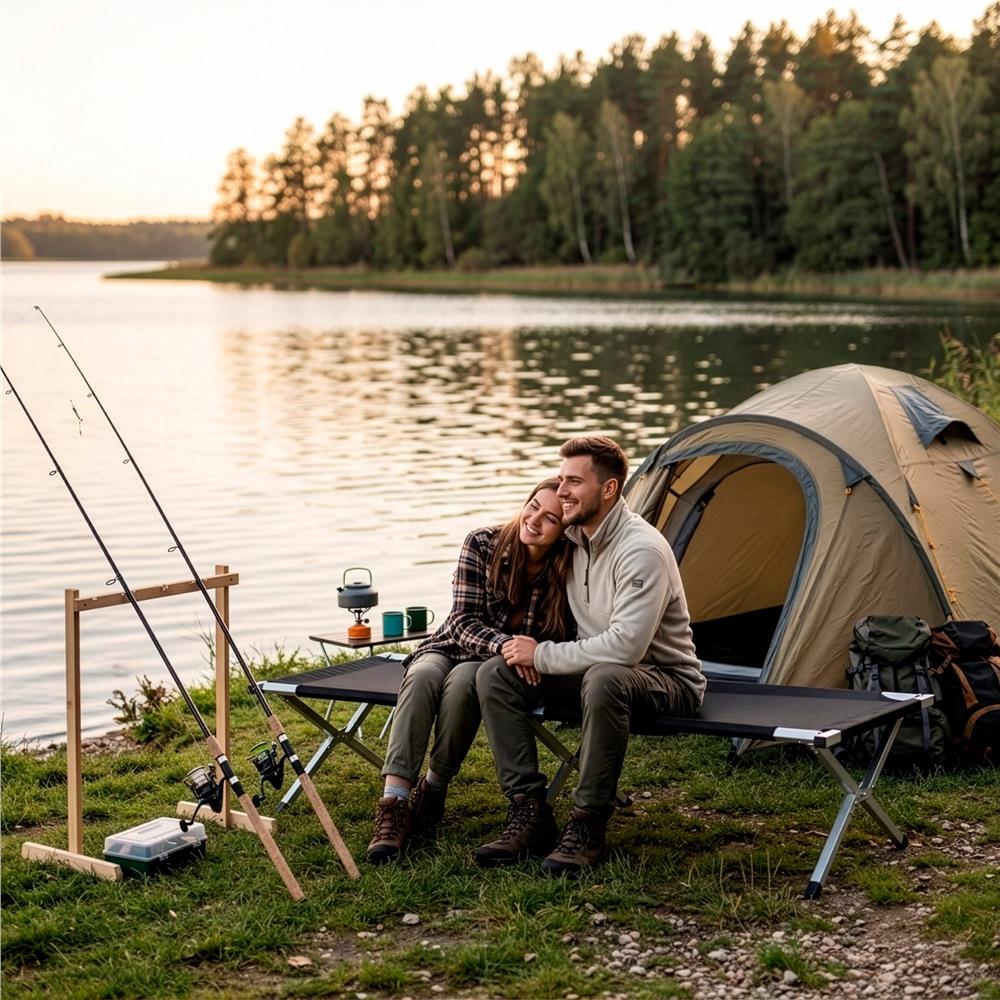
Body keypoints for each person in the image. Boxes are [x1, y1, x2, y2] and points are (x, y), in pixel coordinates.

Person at [475, 435, 704, 876]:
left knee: (606, 677)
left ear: (609, 489)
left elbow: (626, 648)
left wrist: (541, 655)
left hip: (665, 678)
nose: (561, 492)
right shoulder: (574, 539)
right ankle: (529, 812)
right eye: (560, 479)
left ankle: (587, 825)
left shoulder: (641, 549)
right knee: (495, 674)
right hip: (595, 673)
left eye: (573, 482)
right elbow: (521, 542)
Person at [366, 477, 574, 863]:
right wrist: (506, 645)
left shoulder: (564, 567)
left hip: (490, 665)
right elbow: (461, 621)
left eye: (551, 519)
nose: (535, 521)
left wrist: (519, 654)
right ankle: (394, 804)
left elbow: (553, 631)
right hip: (452, 645)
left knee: (465, 683)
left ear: (564, 532)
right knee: (424, 676)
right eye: (533, 506)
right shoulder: (482, 542)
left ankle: (434, 787)